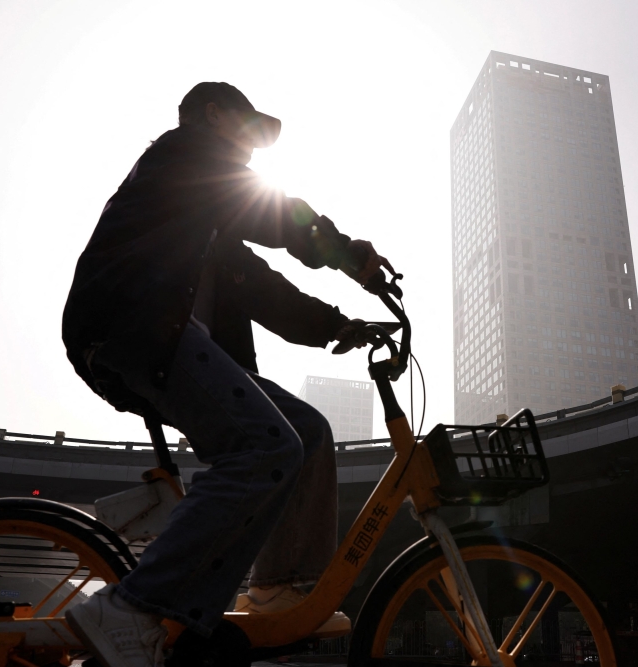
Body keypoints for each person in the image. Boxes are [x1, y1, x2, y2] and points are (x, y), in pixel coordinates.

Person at [60, 82, 393, 667]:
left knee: (306, 432)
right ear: (212, 117)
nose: (253, 152)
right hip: (133, 325)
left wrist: (342, 325)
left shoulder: (207, 223)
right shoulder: (184, 156)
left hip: (173, 343)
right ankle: (134, 606)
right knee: (264, 448)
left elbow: (269, 292)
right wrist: (350, 255)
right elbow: (276, 213)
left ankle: (276, 587)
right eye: (247, 130)